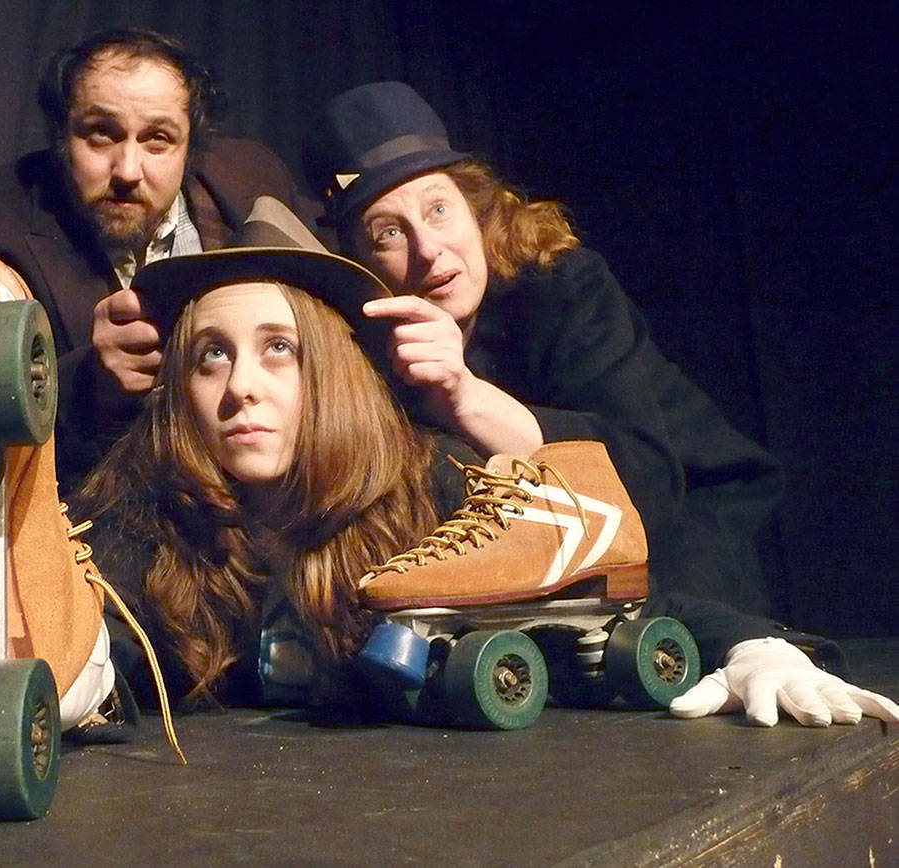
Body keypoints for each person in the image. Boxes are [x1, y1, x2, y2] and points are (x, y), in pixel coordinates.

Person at [74, 196, 898, 728]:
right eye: (210, 357)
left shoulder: (433, 490)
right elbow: (88, 645)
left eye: (278, 350)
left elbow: (597, 605)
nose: (240, 388)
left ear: (331, 374)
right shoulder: (145, 519)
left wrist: (760, 647)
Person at [300, 82, 784, 616]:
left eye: (438, 209)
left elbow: (645, 478)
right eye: (388, 233)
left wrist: (466, 397)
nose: (427, 248)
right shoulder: (360, 344)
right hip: (526, 551)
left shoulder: (561, 288)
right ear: (359, 263)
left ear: (476, 211)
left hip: (685, 522)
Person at [0, 27, 318, 491]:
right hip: (100, 513)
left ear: (191, 149)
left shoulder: (252, 181)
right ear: (61, 136)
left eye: (158, 139)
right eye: (101, 134)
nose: (126, 171)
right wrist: (90, 385)